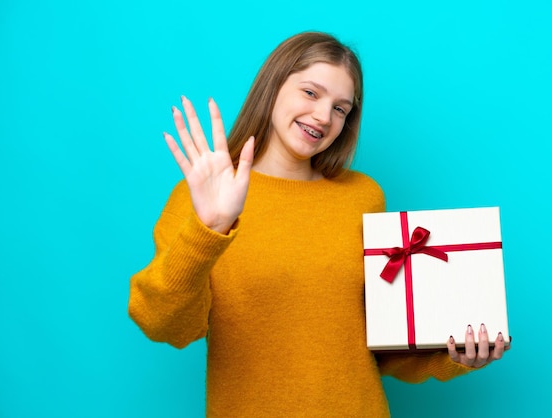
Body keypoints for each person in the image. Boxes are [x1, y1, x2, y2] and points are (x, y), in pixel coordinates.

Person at [128, 31, 509, 416]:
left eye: (341, 109)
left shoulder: (362, 198)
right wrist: (211, 229)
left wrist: (456, 355)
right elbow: (165, 325)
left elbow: (383, 345)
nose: (323, 117)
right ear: (273, 85)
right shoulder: (203, 197)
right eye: (311, 93)